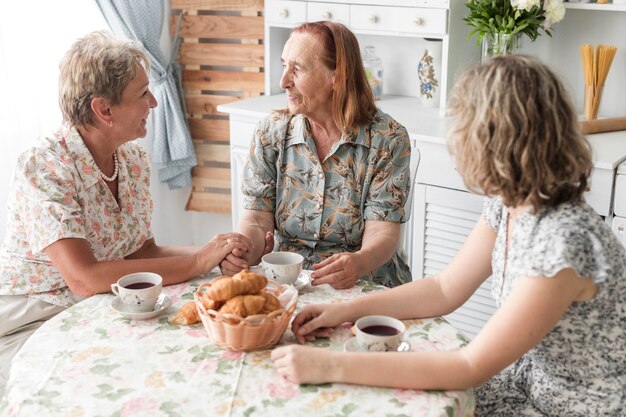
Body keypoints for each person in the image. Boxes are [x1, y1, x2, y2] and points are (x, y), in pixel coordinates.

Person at [271, 55, 626, 416]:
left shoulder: (564, 242)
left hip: (574, 409)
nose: (455, 136)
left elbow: (469, 366)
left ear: (499, 137)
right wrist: (342, 311)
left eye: (464, 122)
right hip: (529, 384)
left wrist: (326, 366)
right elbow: (444, 288)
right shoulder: (509, 203)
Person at [0, 31, 254, 395]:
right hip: (32, 321)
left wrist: (220, 251)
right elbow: (85, 279)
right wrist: (199, 260)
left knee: (187, 364)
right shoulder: (43, 168)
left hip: (99, 309)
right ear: (104, 110)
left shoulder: (131, 159)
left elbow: (143, 254)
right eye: (141, 94)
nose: (153, 102)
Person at [220, 21, 412, 289]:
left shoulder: (387, 139)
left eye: (297, 69)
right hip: (288, 278)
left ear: (338, 77)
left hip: (363, 280)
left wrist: (358, 262)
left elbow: (382, 232)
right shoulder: (271, 133)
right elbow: (255, 218)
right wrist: (244, 251)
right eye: (284, 65)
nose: (283, 81)